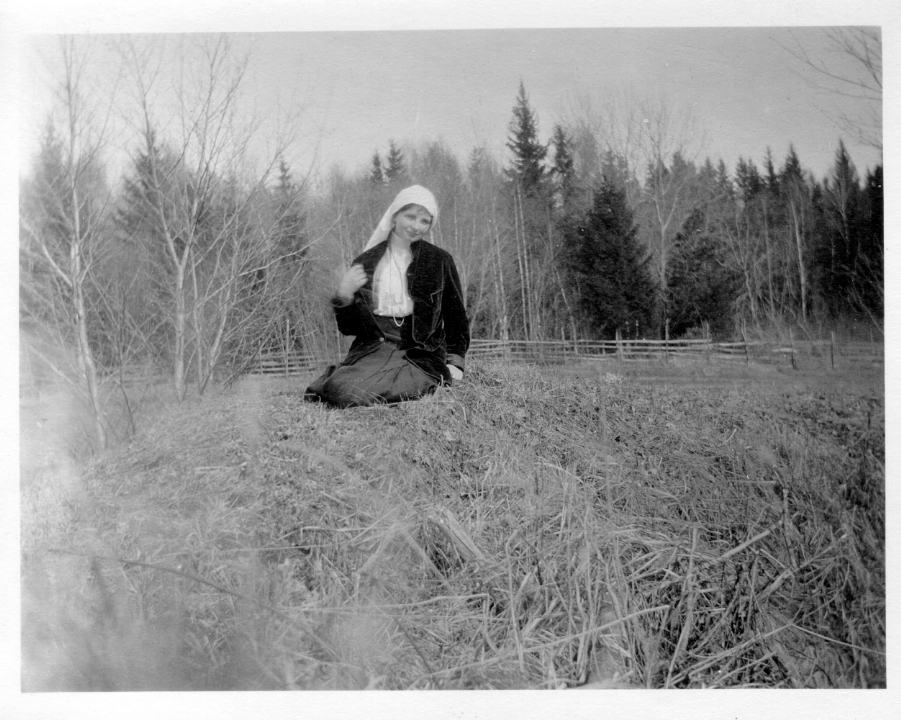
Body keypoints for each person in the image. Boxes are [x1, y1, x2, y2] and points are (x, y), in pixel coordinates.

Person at [305, 185, 470, 408]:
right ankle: (346, 379)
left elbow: (456, 317)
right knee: (339, 389)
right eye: (410, 216)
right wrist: (344, 295)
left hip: (420, 355)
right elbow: (349, 328)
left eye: (424, 221)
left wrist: (455, 363)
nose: (416, 226)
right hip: (376, 350)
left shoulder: (439, 260)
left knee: (348, 392)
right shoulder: (366, 262)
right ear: (394, 216)